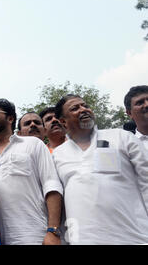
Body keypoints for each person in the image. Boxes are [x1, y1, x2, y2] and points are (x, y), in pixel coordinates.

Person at [53, 94, 148, 244]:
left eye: (85, 106)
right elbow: (57, 199)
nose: (84, 109)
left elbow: (146, 180)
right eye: (75, 108)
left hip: (133, 237)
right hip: (84, 240)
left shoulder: (121, 137)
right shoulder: (57, 154)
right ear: (63, 122)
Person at [0, 99, 64, 245]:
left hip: (35, 235)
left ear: (10, 118)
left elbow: (52, 185)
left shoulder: (33, 144)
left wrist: (53, 230)